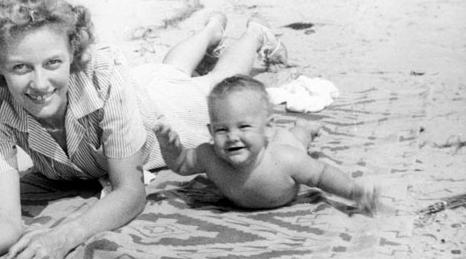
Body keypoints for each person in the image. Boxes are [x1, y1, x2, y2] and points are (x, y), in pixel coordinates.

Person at [0, 0, 288, 259]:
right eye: (19, 67)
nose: (40, 83)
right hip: (137, 87)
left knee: (212, 84)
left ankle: (253, 35)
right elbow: (2, 216)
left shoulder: (103, 73)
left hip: (162, 111)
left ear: (73, 54)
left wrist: (65, 236)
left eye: (53, 63)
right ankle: (210, 29)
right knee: (169, 69)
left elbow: (130, 192)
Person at [154, 74, 379, 212]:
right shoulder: (209, 155)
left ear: (268, 127)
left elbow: (321, 175)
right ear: (210, 131)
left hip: (285, 145)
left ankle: (306, 128)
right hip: (271, 142)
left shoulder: (286, 159)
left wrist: (352, 191)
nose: (232, 137)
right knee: (291, 138)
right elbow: (182, 164)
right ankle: (298, 129)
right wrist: (170, 148)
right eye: (222, 129)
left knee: (298, 138)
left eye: (243, 127)